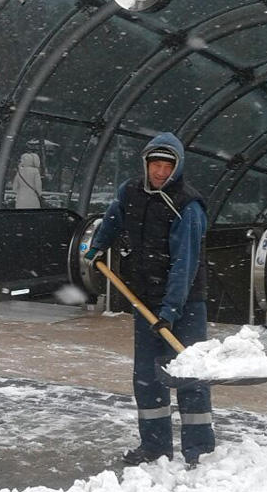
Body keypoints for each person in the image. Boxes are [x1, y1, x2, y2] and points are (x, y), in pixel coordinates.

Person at [85, 132, 214, 467]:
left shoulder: (187, 203)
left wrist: (170, 310)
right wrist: (99, 244)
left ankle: (198, 449)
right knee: (147, 375)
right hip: (144, 299)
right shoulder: (131, 191)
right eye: (155, 164)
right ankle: (155, 446)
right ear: (146, 163)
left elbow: (185, 263)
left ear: (177, 166)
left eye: (166, 166)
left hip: (185, 304)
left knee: (189, 375)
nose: (159, 172)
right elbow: (114, 216)